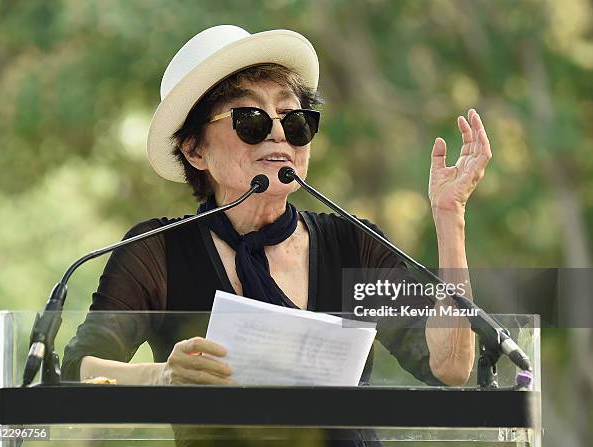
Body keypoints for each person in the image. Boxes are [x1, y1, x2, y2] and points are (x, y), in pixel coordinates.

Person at [62, 25, 491, 445]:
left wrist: (449, 217)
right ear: (195, 150)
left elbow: (450, 366)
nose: (279, 133)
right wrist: (162, 377)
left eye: (295, 120)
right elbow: (75, 371)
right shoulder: (156, 251)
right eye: (250, 119)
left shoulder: (352, 243)